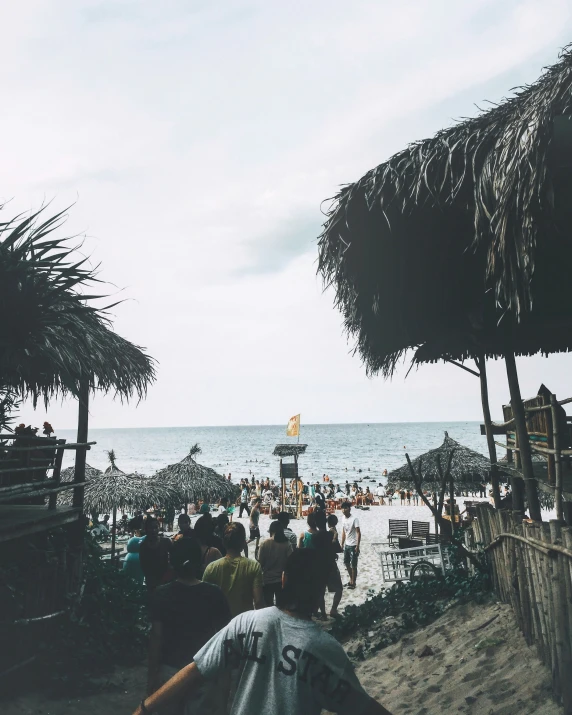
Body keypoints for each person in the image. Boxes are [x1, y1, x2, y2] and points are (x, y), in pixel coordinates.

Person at [134, 550, 393, 715]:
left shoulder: (246, 624)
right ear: (320, 592)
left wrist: (145, 708)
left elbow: (195, 670)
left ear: (283, 580)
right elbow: (361, 706)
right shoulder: (326, 650)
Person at [146, 538, 232, 714]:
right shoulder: (214, 594)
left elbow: (156, 637)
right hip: (204, 672)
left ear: (172, 562)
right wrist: (225, 683)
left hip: (170, 673)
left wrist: (152, 676)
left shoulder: (161, 594)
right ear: (199, 561)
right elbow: (225, 641)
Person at [202, 522, 264, 618]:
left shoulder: (211, 568)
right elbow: (258, 602)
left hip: (221, 625)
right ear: (243, 543)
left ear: (223, 542)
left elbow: (205, 601)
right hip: (244, 624)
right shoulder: (254, 566)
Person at [258, 521, 292, 606]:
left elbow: (260, 563)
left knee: (268, 606)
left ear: (271, 531)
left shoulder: (264, 543)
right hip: (282, 580)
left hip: (267, 579)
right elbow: (290, 562)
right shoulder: (287, 543)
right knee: (280, 607)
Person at [140, 517, 173, 593]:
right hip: (151, 581)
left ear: (159, 528)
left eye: (155, 527)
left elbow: (174, 559)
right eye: (151, 528)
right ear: (146, 529)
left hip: (166, 580)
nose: (153, 530)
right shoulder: (143, 546)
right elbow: (143, 566)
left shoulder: (166, 542)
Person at [340, 502, 360, 590]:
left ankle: (353, 582)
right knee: (346, 563)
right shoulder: (343, 518)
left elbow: (358, 532)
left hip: (353, 545)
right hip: (347, 544)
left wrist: (357, 546)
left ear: (349, 509)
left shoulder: (354, 519)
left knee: (354, 565)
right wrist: (342, 543)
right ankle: (351, 580)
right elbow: (344, 532)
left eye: (345, 508)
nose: (344, 510)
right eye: (342, 508)